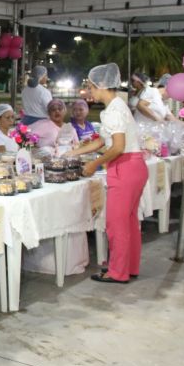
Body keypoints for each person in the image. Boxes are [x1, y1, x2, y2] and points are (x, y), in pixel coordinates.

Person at [66, 63, 148, 284]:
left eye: (90, 87)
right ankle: (128, 266)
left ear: (100, 85)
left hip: (125, 167)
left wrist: (95, 164)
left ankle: (117, 272)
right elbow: (105, 140)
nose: (88, 91)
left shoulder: (113, 111)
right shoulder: (118, 106)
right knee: (129, 222)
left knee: (116, 224)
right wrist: (75, 151)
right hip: (135, 166)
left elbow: (118, 147)